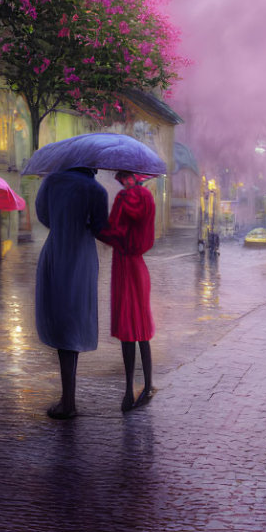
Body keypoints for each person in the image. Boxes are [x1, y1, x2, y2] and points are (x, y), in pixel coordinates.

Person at [35, 167, 109, 419]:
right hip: (80, 257)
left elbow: (43, 216)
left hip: (55, 252)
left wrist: (62, 222)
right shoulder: (96, 190)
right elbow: (100, 227)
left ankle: (68, 398)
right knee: (73, 323)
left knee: (61, 323)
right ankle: (68, 400)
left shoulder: (52, 181)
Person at [98, 171, 157, 412]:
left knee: (126, 329)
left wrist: (94, 228)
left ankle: (128, 390)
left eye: (120, 177)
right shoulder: (148, 198)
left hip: (124, 265)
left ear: (125, 178)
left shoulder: (124, 199)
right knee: (141, 328)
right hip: (138, 266)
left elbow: (115, 233)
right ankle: (148, 385)